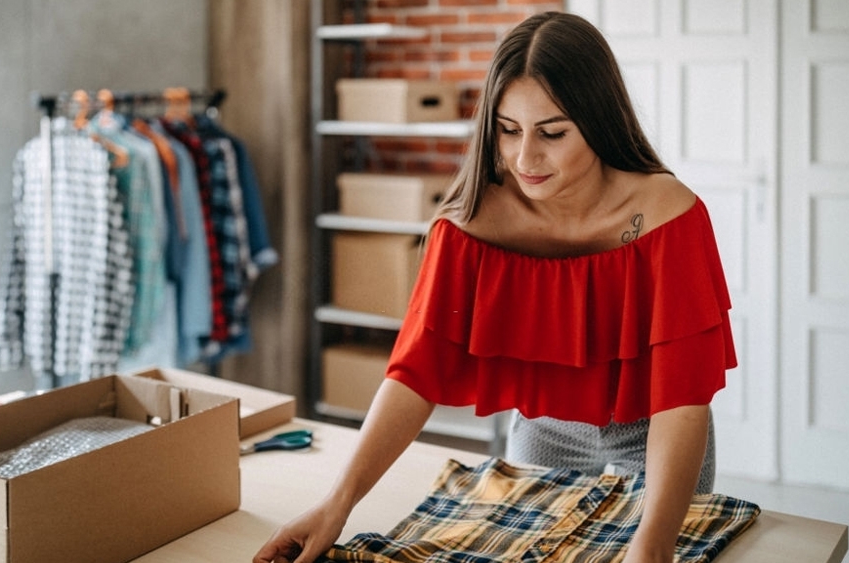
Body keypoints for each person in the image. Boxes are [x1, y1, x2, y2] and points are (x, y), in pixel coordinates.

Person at [254, 11, 736, 563]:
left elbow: (682, 396)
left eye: (552, 133)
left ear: (599, 122)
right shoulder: (471, 223)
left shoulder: (668, 216)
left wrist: (653, 541)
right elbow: (415, 371)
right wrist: (337, 503)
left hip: (655, 432)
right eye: (508, 131)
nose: (525, 158)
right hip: (542, 427)